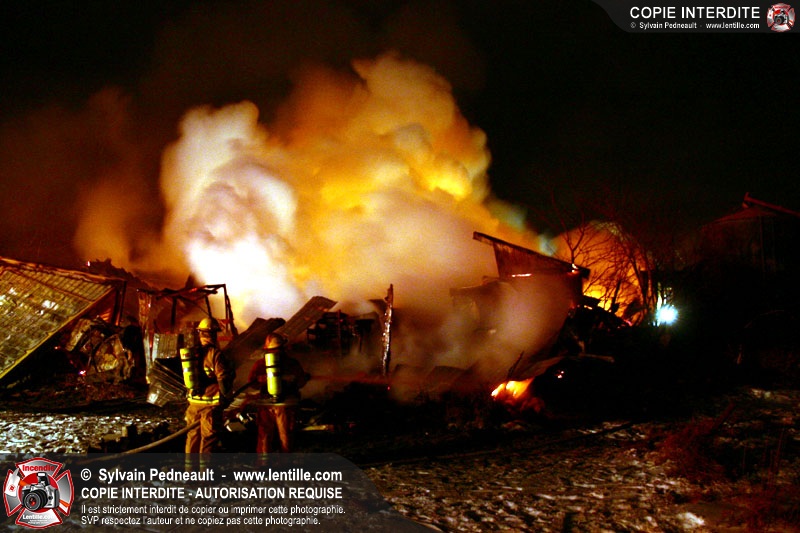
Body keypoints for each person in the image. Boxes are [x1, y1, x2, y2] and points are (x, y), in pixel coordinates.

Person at [247, 332, 309, 453]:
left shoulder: (260, 364)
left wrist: (263, 381)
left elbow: (252, 383)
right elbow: (301, 382)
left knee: (265, 437)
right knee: (286, 437)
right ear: (283, 347)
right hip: (286, 405)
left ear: (267, 349)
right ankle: (286, 462)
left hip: (266, 404)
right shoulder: (292, 363)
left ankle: (264, 463)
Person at [183, 317, 235, 454]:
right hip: (210, 405)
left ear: (200, 333)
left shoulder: (193, 352)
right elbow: (223, 378)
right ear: (213, 334)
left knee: (192, 436)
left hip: (193, 403)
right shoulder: (215, 354)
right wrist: (226, 396)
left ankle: (189, 467)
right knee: (208, 438)